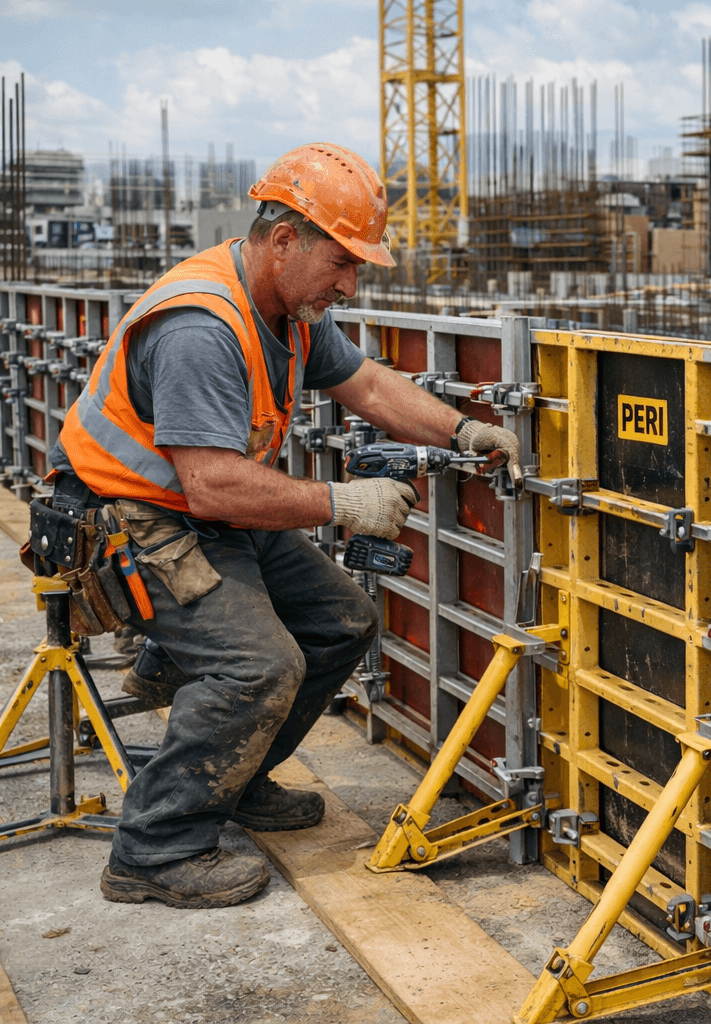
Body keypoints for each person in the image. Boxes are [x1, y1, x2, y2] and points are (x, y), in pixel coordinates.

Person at [50, 143, 521, 909]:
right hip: (140, 519)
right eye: (342, 262)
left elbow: (366, 383)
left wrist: (460, 432)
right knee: (258, 665)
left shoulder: (289, 309)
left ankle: (237, 779)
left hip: (212, 509)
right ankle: (153, 849)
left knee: (340, 621)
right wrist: (344, 503)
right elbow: (209, 486)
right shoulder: (203, 329)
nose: (350, 283)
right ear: (283, 242)